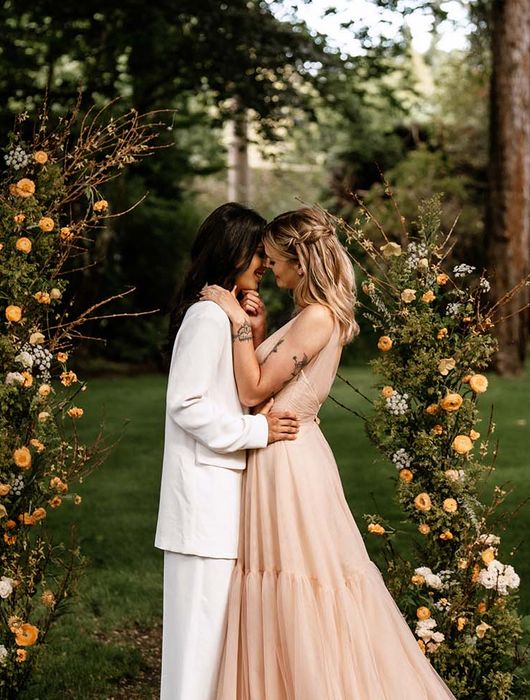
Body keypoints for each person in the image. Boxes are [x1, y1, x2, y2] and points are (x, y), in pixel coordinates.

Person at [200, 208, 456, 699]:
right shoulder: (309, 315)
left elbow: (252, 391)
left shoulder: (317, 316)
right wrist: (257, 330)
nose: (270, 269)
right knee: (281, 581)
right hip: (279, 453)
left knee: (298, 579)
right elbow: (267, 379)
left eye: (275, 260)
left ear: (301, 260)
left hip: (288, 464)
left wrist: (233, 318)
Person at [155, 202, 300, 700]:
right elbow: (187, 405)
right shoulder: (207, 315)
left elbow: (237, 389)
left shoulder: (226, 314)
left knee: (213, 647)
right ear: (233, 252)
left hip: (220, 504)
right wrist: (257, 432)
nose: (264, 263)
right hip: (200, 507)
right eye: (258, 253)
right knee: (196, 650)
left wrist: (251, 330)